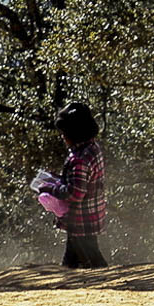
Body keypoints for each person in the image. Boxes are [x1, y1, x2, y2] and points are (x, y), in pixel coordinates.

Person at [40, 101, 108, 269]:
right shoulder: (92, 148)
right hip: (90, 215)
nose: (62, 137)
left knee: (92, 259)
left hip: (80, 219)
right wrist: (59, 179)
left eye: (64, 133)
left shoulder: (79, 160)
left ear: (74, 134)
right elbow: (83, 181)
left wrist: (49, 189)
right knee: (74, 256)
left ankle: (105, 280)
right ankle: (69, 274)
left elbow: (74, 193)